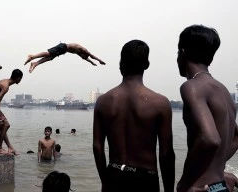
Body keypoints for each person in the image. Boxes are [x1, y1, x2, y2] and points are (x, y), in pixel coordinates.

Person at [93, 40, 175, 192]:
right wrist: (169, 189)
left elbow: (98, 147)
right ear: (147, 64)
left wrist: (105, 180)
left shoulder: (103, 101)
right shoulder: (160, 103)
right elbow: (166, 153)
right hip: (145, 178)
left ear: (121, 64)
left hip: (114, 174)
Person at [176, 25, 238, 192]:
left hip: (199, 187)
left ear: (183, 52)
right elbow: (236, 137)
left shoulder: (192, 87)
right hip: (219, 186)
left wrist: (184, 184)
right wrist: (217, 166)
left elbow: (210, 139)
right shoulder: (223, 91)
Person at [0, 69, 23, 155]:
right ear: (18, 78)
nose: (20, 80)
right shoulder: (5, 86)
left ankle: (10, 147)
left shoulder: (5, 81)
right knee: (6, 125)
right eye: (21, 78)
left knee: (3, 127)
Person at [24, 43, 106, 73]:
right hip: (63, 47)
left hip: (63, 50)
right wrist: (100, 61)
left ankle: (35, 64)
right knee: (48, 54)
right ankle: (32, 57)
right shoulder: (83, 50)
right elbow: (91, 56)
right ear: (84, 54)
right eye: (83, 57)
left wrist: (91, 63)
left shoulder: (80, 54)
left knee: (49, 58)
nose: (82, 58)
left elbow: (88, 59)